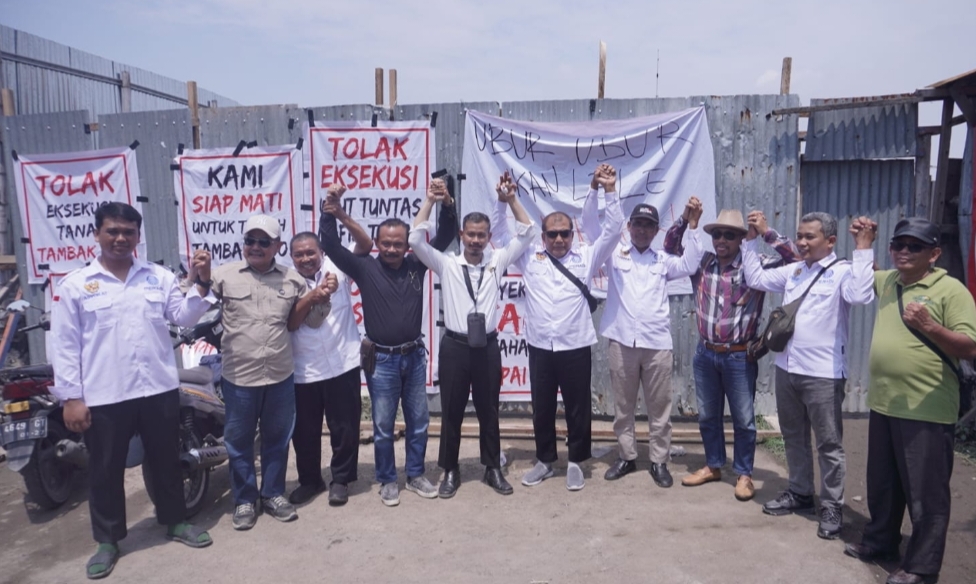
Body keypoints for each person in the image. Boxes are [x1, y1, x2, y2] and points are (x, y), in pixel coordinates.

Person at [51, 202, 215, 579]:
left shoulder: (157, 277)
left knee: (165, 460)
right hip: (105, 394)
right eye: (113, 231)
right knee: (104, 469)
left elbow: (183, 316)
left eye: (128, 232)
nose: (121, 238)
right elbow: (64, 345)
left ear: (138, 236)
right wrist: (71, 398)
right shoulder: (76, 285)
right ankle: (108, 541)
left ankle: (175, 521)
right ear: (97, 234)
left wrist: (202, 282)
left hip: (157, 388)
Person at [844, 218, 976, 584]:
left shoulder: (951, 291)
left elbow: (970, 347)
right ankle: (881, 541)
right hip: (884, 403)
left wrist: (930, 327)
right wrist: (863, 241)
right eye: (898, 245)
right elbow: (865, 274)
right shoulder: (890, 281)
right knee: (883, 484)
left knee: (925, 494)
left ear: (934, 254)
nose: (904, 251)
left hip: (926, 409)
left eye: (914, 246)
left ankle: (921, 566)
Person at [319, 179, 457, 506]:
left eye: (398, 244)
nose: (392, 249)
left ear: (408, 244)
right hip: (381, 361)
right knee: (382, 426)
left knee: (419, 422)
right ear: (377, 243)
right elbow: (332, 246)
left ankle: (415, 474)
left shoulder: (417, 264)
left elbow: (447, 235)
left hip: (414, 356)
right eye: (386, 243)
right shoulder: (364, 267)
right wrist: (330, 211)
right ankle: (387, 480)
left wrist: (447, 204)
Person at [742, 211, 875, 540]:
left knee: (828, 443)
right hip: (787, 369)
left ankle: (831, 505)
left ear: (830, 241)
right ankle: (800, 492)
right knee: (793, 435)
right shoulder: (796, 270)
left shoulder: (843, 271)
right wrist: (750, 240)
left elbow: (861, 296)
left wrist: (863, 248)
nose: (801, 242)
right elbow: (755, 278)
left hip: (823, 375)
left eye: (809, 237)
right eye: (799, 235)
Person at [494, 164, 623, 491]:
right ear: (543, 236)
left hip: (575, 346)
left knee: (578, 408)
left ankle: (576, 461)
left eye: (565, 233)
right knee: (542, 408)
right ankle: (545, 461)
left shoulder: (587, 257)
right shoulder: (528, 256)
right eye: (552, 234)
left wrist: (609, 190)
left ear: (573, 234)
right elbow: (500, 235)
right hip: (540, 346)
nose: (559, 239)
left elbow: (613, 230)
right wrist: (502, 202)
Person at [409, 173, 537, 497]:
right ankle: (450, 470)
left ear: (488, 236)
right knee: (451, 411)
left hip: (487, 347)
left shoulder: (498, 260)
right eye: (471, 235)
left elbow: (528, 231)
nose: (476, 241)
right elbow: (415, 241)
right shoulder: (446, 264)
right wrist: (430, 201)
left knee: (488, 410)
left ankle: (492, 468)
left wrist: (511, 199)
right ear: (462, 235)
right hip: (455, 347)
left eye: (481, 235)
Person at [663, 207, 798, 500]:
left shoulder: (756, 265)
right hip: (706, 354)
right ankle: (713, 465)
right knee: (708, 416)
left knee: (744, 420)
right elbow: (670, 248)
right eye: (717, 234)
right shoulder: (702, 263)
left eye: (729, 235)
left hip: (739, 356)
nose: (721, 240)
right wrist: (685, 220)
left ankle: (744, 474)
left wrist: (767, 233)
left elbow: (797, 262)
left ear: (741, 239)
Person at [212, 214, 331, 530]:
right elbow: (192, 305)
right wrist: (197, 278)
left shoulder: (293, 280)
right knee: (239, 443)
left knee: (277, 440)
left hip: (279, 375)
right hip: (239, 377)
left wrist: (321, 298)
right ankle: (244, 500)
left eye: (264, 241)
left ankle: (273, 494)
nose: (256, 246)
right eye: (250, 240)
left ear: (277, 246)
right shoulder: (222, 276)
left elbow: (305, 322)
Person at [593, 195, 705, 489]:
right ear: (629, 226)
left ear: (656, 231)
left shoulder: (663, 260)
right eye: (638, 224)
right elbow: (594, 228)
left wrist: (693, 226)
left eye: (649, 226)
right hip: (622, 342)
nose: (642, 230)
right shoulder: (614, 255)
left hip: (656, 345)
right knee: (623, 407)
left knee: (660, 409)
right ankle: (627, 456)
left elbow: (691, 263)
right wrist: (605, 192)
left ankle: (659, 461)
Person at [287, 200, 365, 506]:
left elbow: (365, 245)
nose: (306, 259)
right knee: (304, 432)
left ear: (322, 252)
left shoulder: (338, 267)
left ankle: (341, 479)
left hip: (342, 363)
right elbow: (291, 323)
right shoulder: (286, 281)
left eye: (311, 253)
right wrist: (313, 296)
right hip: (303, 368)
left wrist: (339, 213)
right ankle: (310, 480)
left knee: (345, 427)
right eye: (299, 254)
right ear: (291, 257)